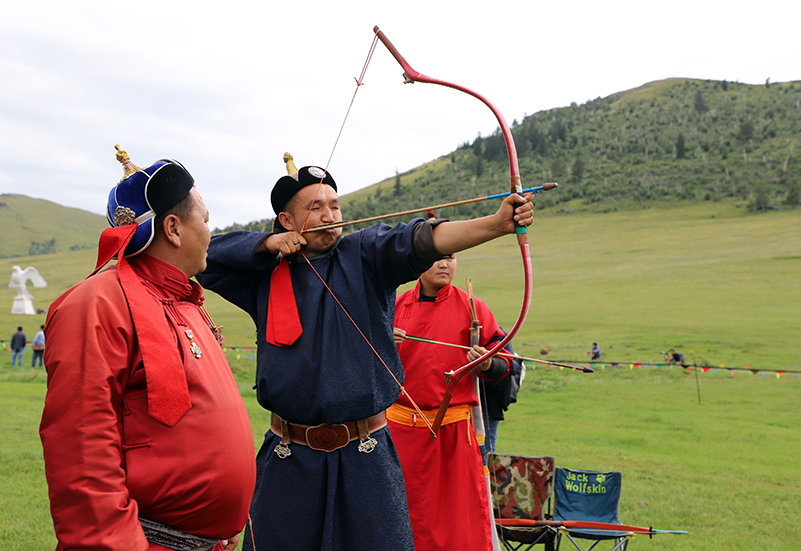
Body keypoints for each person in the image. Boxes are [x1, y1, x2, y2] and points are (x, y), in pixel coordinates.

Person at [196, 155, 534, 551]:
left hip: (365, 455)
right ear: (287, 222)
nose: (329, 214)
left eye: (334, 205)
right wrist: (265, 244)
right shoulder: (265, 274)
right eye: (315, 207)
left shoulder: (365, 254)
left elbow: (422, 239)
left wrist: (495, 224)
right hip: (289, 456)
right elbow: (206, 256)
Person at [39, 146, 256, 551]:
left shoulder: (187, 302)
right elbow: (81, 451)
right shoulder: (96, 304)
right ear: (173, 228)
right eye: (206, 219)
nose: (211, 231)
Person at [391, 255, 511, 550]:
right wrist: (382, 341)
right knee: (397, 516)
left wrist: (485, 364)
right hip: (400, 433)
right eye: (434, 257)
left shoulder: (473, 308)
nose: (444, 264)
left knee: (458, 522)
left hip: (453, 435)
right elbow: (367, 362)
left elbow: (504, 363)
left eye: (450, 257)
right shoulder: (394, 306)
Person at [479, 333, 524, 455]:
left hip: (491, 401)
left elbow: (513, 367)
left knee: (486, 450)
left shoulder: (497, 333)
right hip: (462, 401)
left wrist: (489, 363)